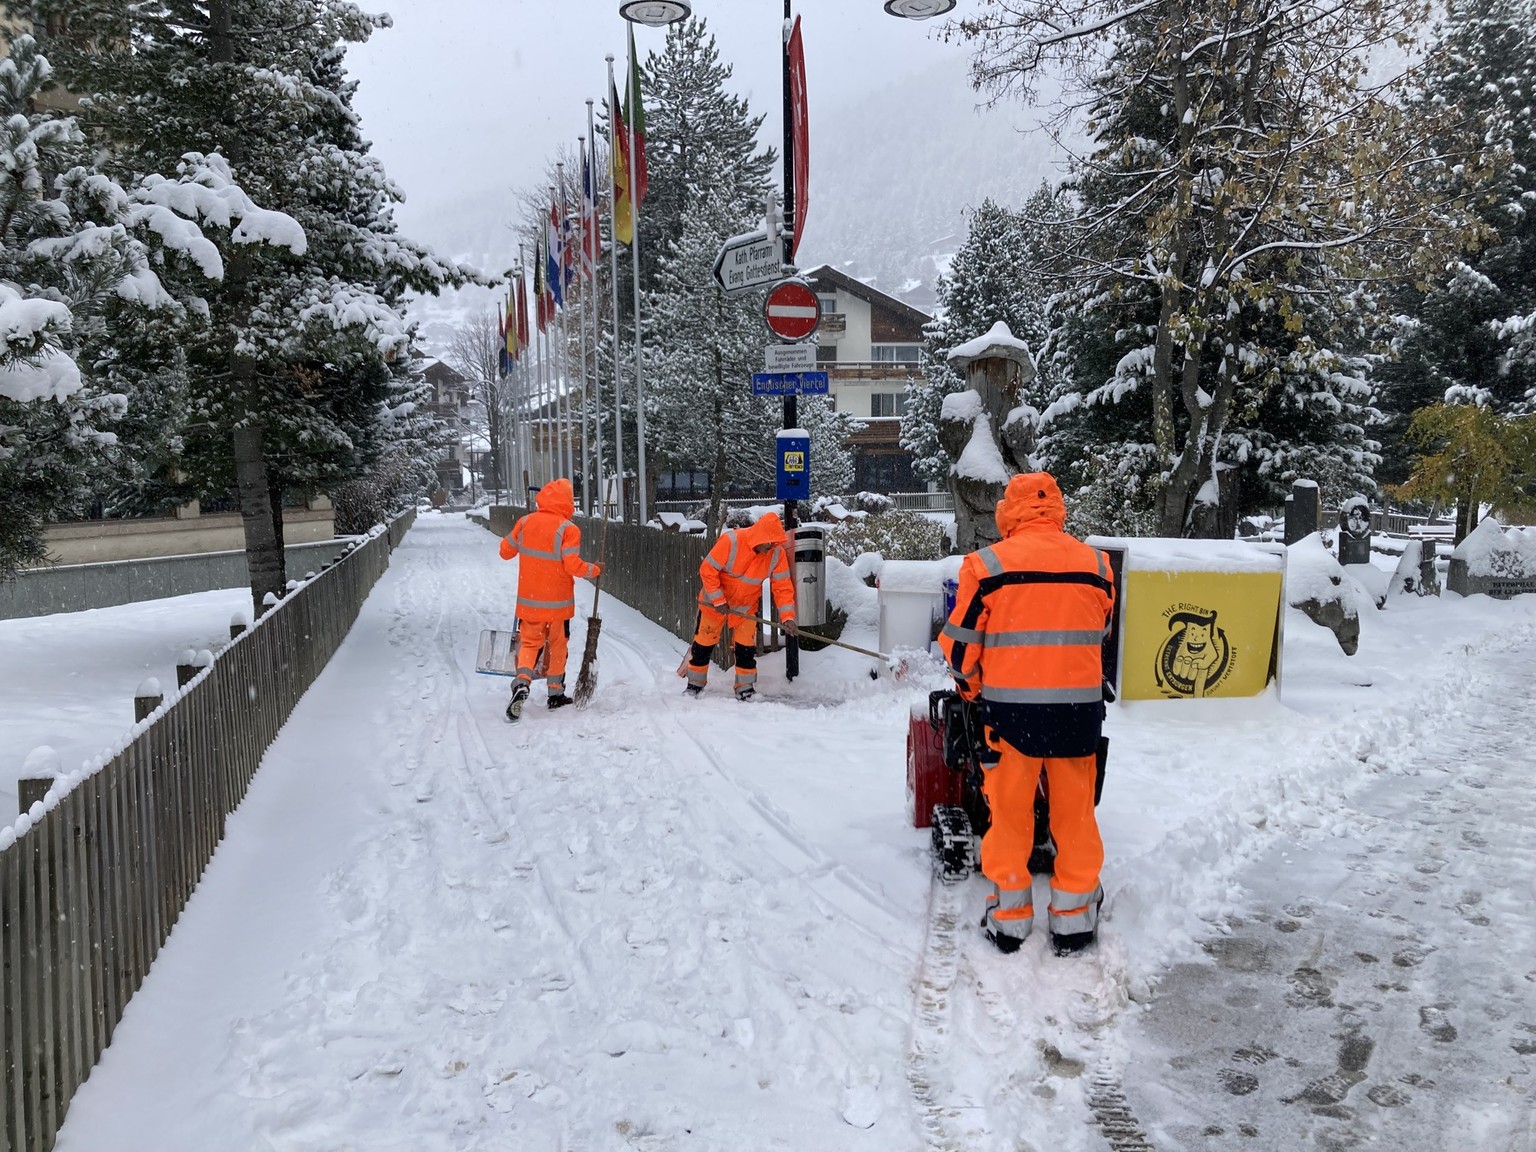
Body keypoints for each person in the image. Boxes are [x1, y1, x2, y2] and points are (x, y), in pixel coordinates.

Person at [939, 472, 1115, 957]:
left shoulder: (987, 565)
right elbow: (1098, 631)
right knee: (1075, 816)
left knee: (1011, 817)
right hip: (1078, 714)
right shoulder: (1097, 566)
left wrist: (972, 687)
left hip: (1010, 717)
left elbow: (959, 647)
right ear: (1058, 509)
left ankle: (1010, 920)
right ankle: (1074, 920)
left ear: (1008, 512)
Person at [497, 478, 601, 721]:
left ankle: (522, 682)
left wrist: (524, 534)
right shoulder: (568, 529)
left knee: (529, 645)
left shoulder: (525, 522)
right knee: (557, 648)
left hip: (530, 603)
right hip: (558, 605)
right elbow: (572, 565)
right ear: (567, 502)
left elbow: (505, 552)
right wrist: (595, 570)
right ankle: (555, 694)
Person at [685, 512, 798, 701]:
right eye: (769, 542)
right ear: (759, 537)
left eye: (775, 542)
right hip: (714, 604)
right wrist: (719, 600)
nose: (772, 546)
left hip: (745, 607)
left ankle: (745, 687)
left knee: (746, 649)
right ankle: (694, 685)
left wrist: (788, 618)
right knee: (704, 643)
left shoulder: (776, 554)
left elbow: (783, 587)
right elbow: (708, 570)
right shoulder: (731, 541)